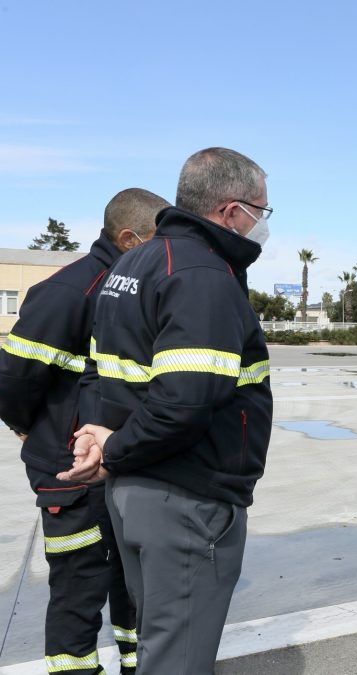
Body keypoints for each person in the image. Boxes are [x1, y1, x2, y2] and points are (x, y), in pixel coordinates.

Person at [58, 147, 274, 675]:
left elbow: (100, 372)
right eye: (261, 212)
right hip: (186, 495)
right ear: (230, 211)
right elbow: (185, 401)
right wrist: (112, 449)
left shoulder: (134, 262)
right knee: (177, 659)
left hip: (138, 491)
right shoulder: (202, 274)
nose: (262, 225)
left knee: (159, 643)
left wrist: (104, 440)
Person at [0, 188, 168, 675]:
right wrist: (29, 429)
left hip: (118, 461)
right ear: (127, 237)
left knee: (130, 582)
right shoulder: (70, 291)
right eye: (158, 239)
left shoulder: (133, 286)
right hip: (69, 472)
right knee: (79, 588)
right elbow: (13, 379)